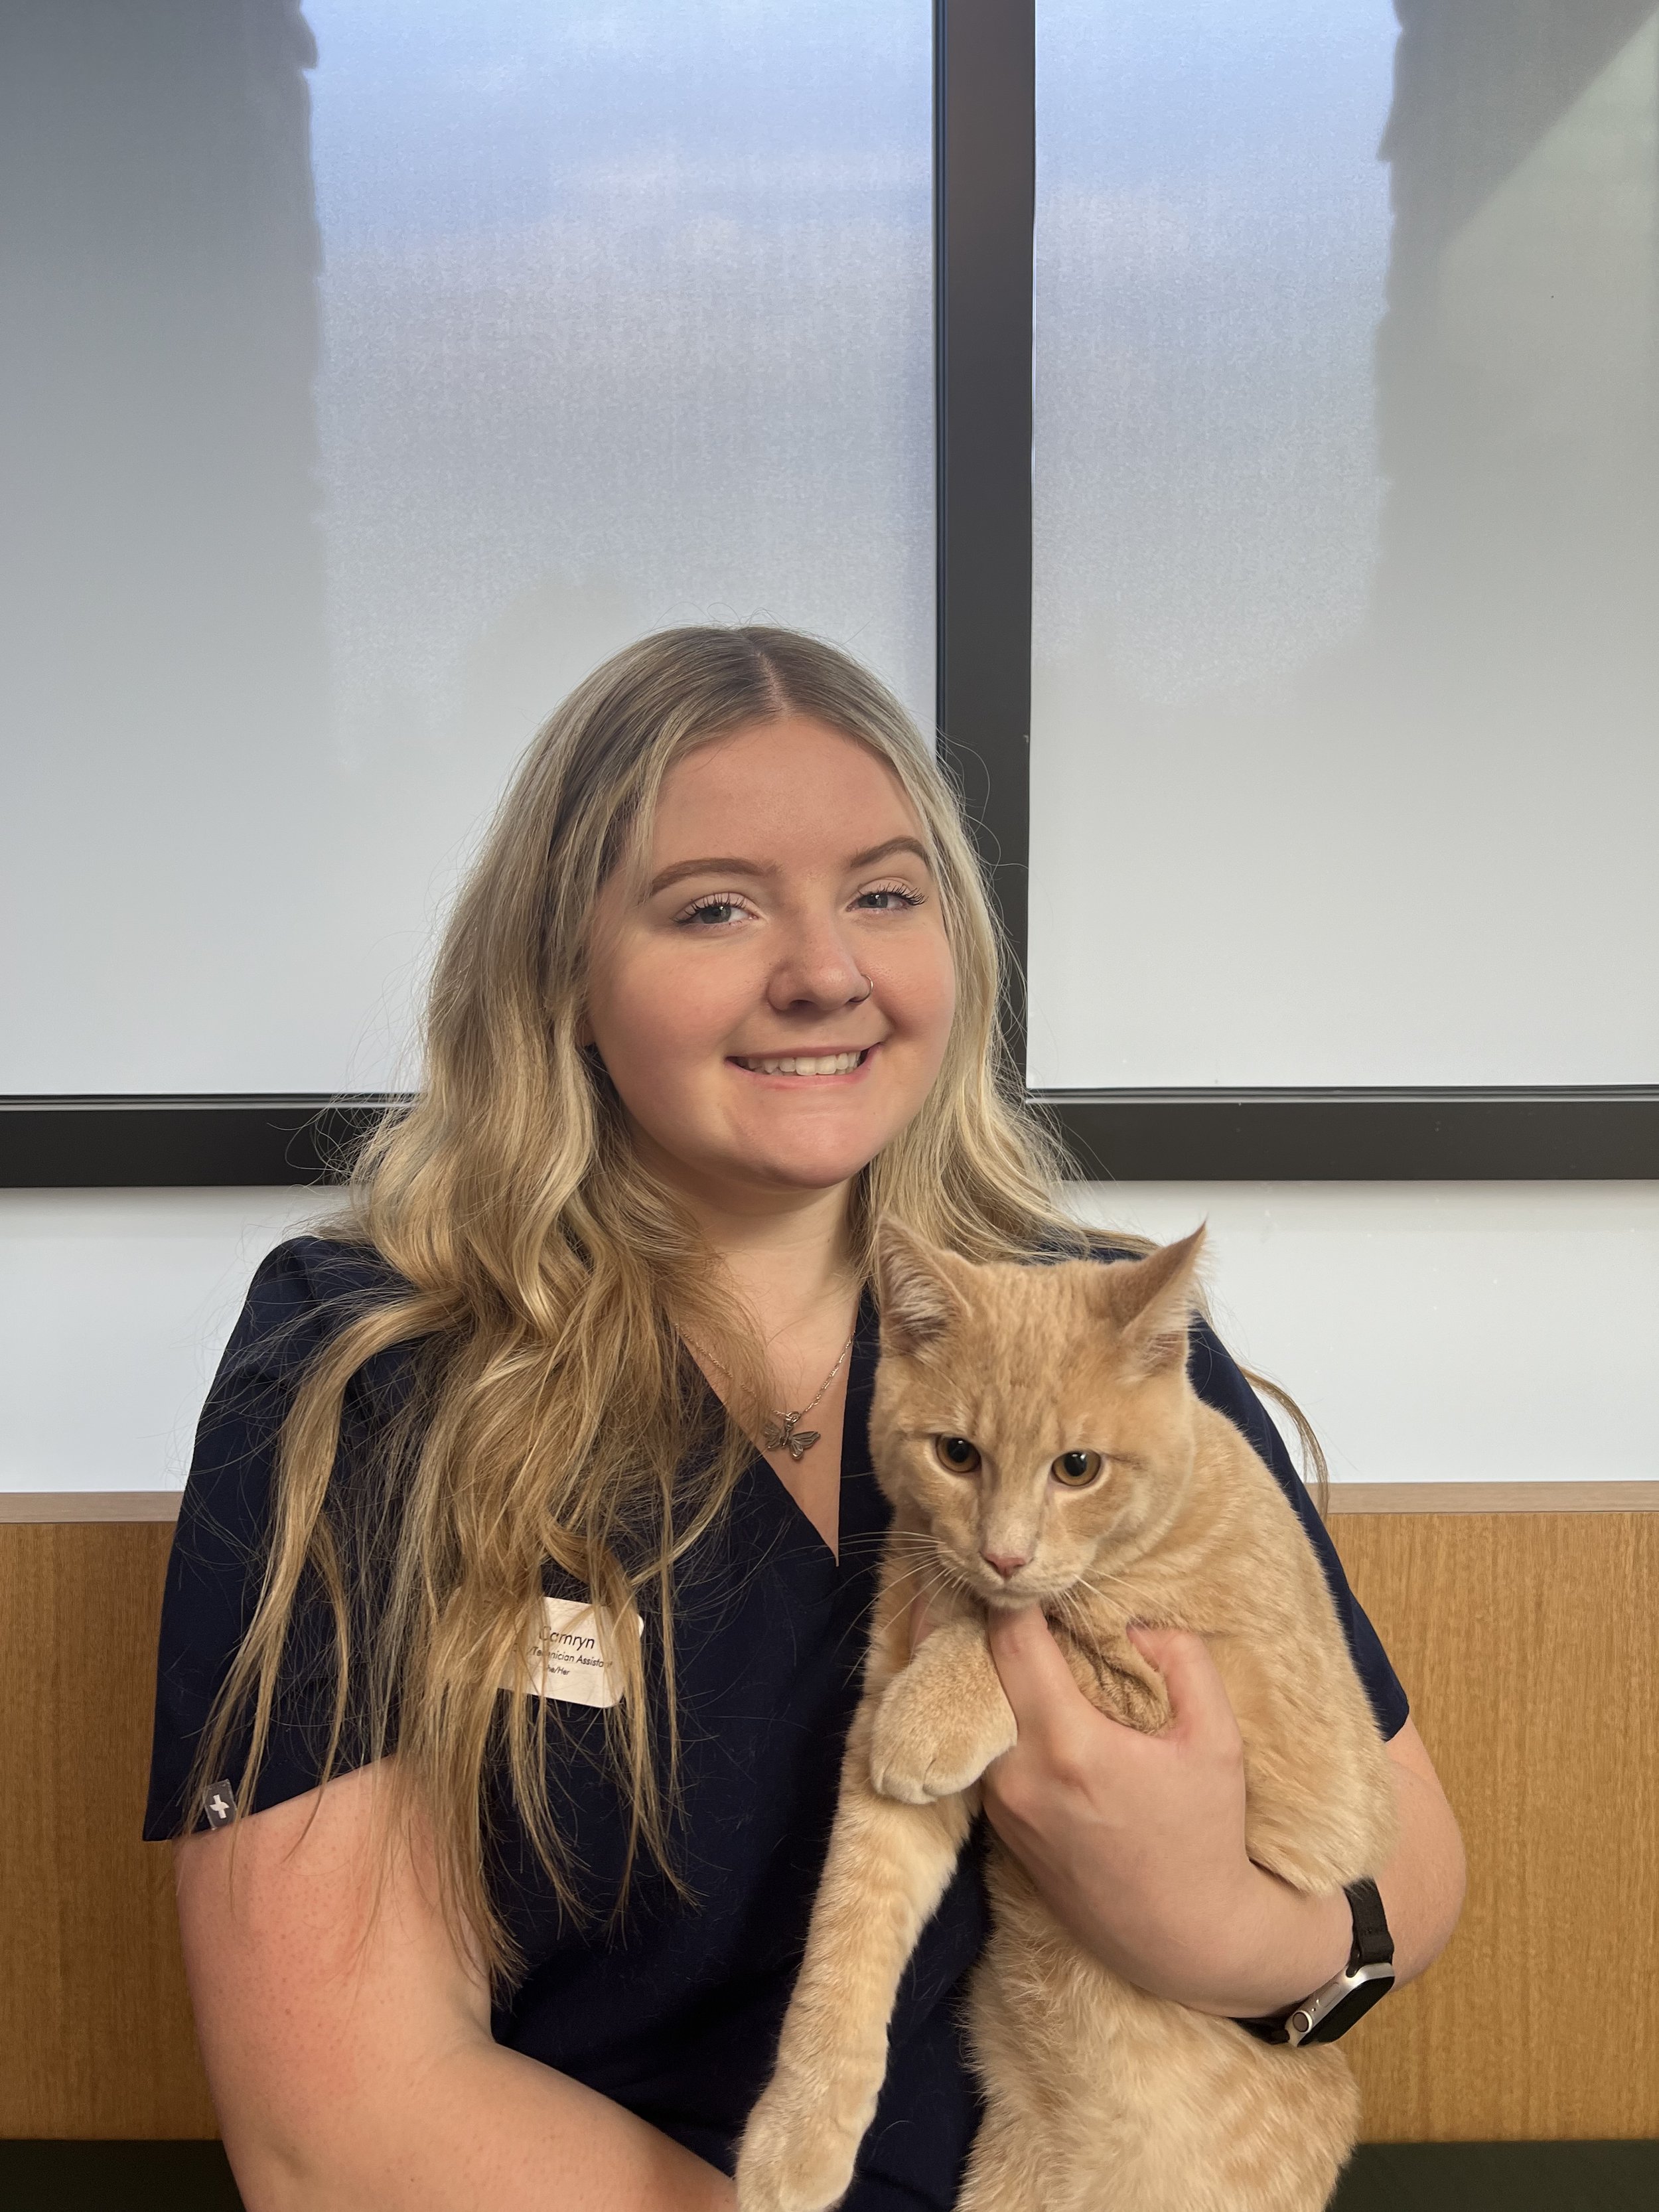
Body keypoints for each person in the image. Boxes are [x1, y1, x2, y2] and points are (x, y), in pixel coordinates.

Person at [145, 627, 1465, 2212]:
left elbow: (1408, 1869)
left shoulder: (1084, 1321)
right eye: (713, 904)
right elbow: (337, 2130)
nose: (825, 970)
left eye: (884, 894)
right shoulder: (369, 1363)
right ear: (562, 968)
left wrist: (1207, 1925)